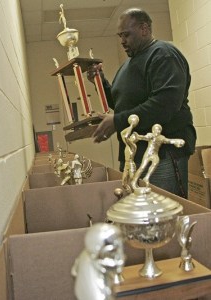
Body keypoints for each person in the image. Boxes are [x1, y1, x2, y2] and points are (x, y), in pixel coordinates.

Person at [87, 8, 196, 198]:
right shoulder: (128, 65)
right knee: (142, 218)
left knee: (164, 216)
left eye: (126, 34)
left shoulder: (163, 55)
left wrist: (117, 121)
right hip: (134, 155)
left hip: (161, 156)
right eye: (120, 35)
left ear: (144, 29)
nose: (122, 41)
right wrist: (101, 83)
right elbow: (121, 104)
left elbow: (164, 105)